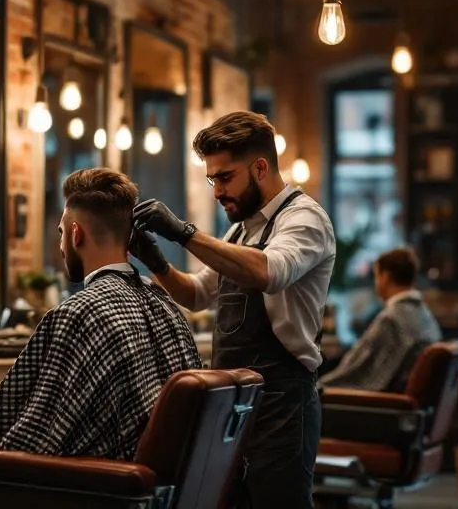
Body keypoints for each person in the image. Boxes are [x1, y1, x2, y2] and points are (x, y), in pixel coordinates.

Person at [0, 167, 203, 509]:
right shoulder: (165, 304)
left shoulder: (79, 313)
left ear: (76, 234)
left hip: (83, 490)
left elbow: (32, 438)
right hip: (144, 492)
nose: (59, 245)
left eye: (60, 234)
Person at [129, 110, 336, 509]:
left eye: (225, 178)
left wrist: (185, 233)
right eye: (213, 179)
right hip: (236, 402)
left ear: (260, 167)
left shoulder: (304, 218)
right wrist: (157, 263)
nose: (217, 191)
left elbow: (269, 271)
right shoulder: (241, 230)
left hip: (283, 402)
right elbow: (197, 294)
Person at [320, 247, 441, 391]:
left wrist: (317, 388)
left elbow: (360, 374)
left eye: (376, 276)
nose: (375, 283)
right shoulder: (424, 314)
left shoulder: (391, 320)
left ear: (386, 277)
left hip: (382, 407)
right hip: (407, 406)